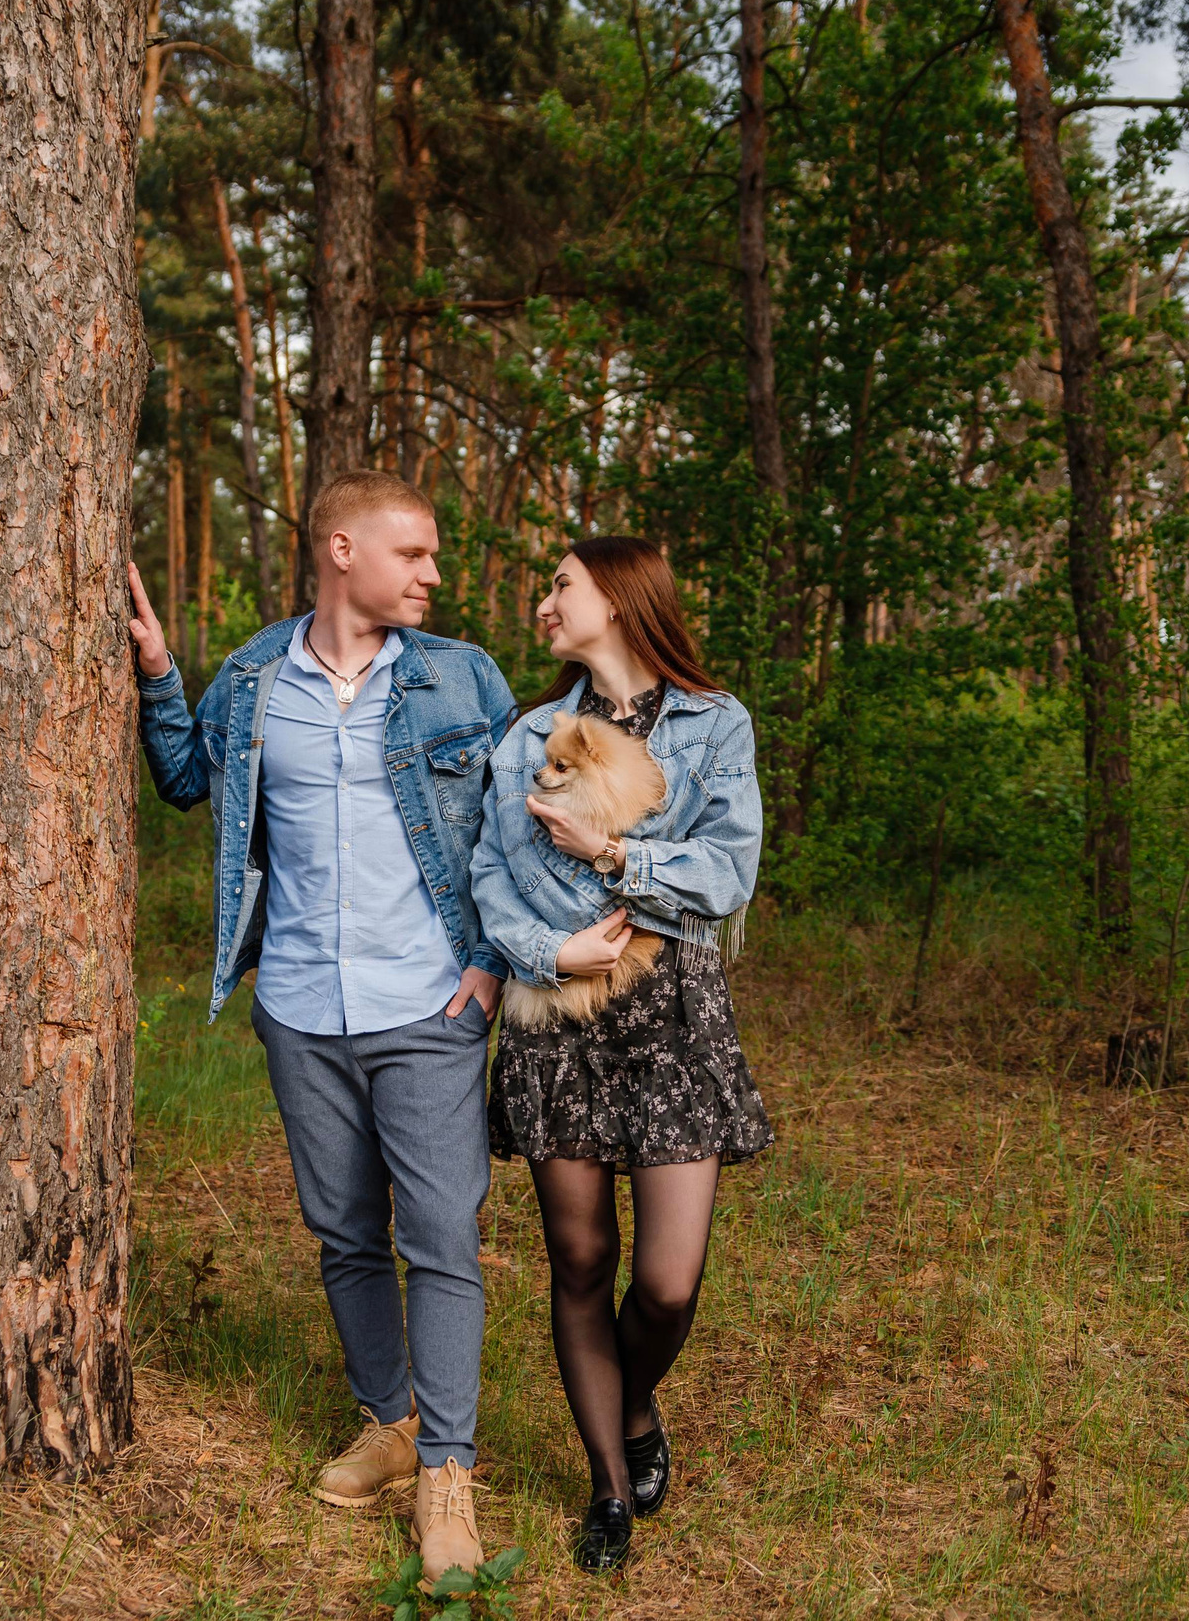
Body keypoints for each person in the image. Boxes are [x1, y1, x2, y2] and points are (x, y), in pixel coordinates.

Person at [130, 471, 515, 1587]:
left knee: (441, 1236)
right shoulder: (253, 677)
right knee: (343, 1229)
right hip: (300, 1004)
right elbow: (186, 783)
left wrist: (491, 962)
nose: (434, 575)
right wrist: (160, 675)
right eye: (416, 554)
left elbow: (511, 826)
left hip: (429, 1004)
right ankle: (388, 1422)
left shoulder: (459, 678)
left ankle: (446, 1471)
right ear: (341, 550)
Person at [468, 535, 773, 1573]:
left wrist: (615, 858)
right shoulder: (525, 736)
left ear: (617, 594)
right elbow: (488, 877)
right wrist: (545, 947)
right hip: (557, 1014)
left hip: (672, 1014)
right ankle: (607, 1485)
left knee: (668, 1282)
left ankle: (634, 1399)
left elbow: (728, 872)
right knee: (581, 1259)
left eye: (560, 583)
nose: (544, 599)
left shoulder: (712, 723)